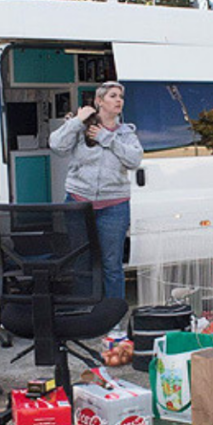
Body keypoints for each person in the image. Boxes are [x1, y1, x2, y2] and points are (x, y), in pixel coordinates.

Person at [49, 81, 143, 300]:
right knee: (81, 261)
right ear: (99, 101)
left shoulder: (126, 132)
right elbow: (56, 145)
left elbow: (135, 159)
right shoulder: (81, 127)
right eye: (112, 96)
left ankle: (113, 316)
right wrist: (77, 121)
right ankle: (85, 311)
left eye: (121, 96)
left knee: (112, 264)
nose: (119, 100)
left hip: (114, 206)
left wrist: (107, 138)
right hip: (78, 202)